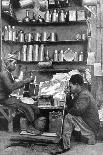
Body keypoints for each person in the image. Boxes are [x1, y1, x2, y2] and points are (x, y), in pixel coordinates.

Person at [52, 74, 100, 154]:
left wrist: (67, 109)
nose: (70, 88)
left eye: (71, 86)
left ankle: (65, 146)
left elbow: (76, 111)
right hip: (89, 124)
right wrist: (68, 96)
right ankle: (64, 141)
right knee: (69, 115)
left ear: (77, 85)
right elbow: (72, 106)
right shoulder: (80, 93)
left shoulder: (84, 95)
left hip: (92, 128)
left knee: (68, 117)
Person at [0, 55, 40, 133]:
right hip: (2, 99)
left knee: (33, 106)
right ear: (8, 63)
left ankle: (34, 125)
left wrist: (22, 81)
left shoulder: (8, 73)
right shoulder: (4, 74)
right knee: (25, 106)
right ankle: (30, 127)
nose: (15, 66)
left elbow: (12, 85)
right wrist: (25, 81)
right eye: (14, 63)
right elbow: (11, 87)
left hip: (6, 97)